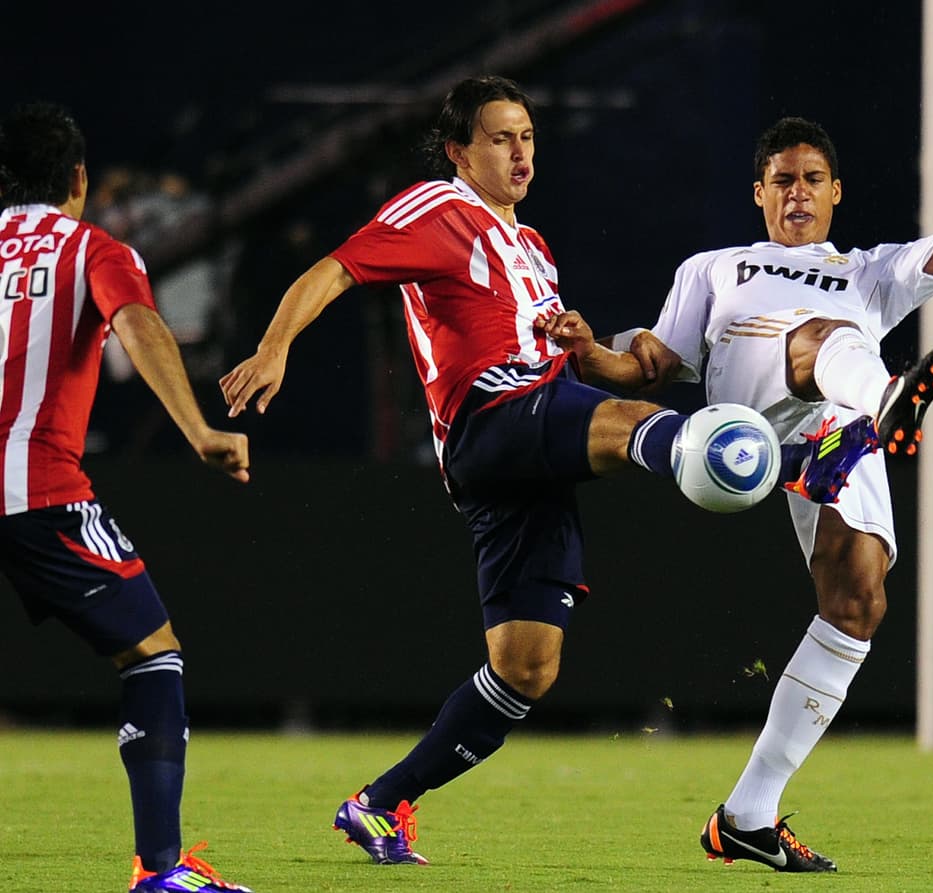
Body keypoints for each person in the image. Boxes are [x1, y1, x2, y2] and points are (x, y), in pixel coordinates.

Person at [217, 74, 851, 867]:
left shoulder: (532, 245)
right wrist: (275, 346)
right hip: (493, 421)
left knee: (526, 667)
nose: (520, 153)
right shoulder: (440, 210)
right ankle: (796, 462)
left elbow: (529, 340)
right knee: (634, 426)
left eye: (526, 137)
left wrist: (573, 336)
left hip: (529, 451)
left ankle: (378, 803)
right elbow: (336, 269)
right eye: (499, 138)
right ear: (459, 150)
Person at [570, 15, 933, 872]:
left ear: (836, 191)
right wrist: (589, 353)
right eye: (780, 181)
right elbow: (650, 364)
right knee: (817, 337)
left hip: (836, 443)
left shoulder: (869, 269)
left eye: (811, 179)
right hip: (745, 446)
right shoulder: (714, 268)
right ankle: (887, 400)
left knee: (859, 604)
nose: (796, 192)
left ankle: (747, 814)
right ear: (758, 195)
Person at [0, 102, 253, 892]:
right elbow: (141, 324)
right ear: (78, 179)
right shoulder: (91, 247)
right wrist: (199, 430)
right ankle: (160, 869)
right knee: (153, 655)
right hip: (37, 491)